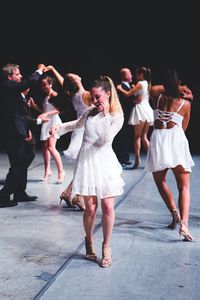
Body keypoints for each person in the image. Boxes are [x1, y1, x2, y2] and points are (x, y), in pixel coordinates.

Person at [49, 76, 125, 267]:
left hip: (105, 162)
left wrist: (106, 115)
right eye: (92, 97)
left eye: (98, 96)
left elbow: (105, 141)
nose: (94, 100)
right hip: (87, 162)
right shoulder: (90, 112)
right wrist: (59, 127)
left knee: (108, 207)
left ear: (108, 94)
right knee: (90, 207)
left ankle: (106, 246)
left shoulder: (117, 116)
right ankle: (89, 240)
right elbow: (76, 124)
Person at [145, 68, 195, 241]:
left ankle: (175, 213)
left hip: (159, 140)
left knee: (160, 182)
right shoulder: (186, 104)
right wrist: (181, 90)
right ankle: (184, 224)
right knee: (184, 187)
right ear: (179, 83)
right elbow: (184, 128)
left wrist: (174, 88)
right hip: (176, 140)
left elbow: (155, 88)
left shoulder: (156, 96)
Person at [44, 66, 92, 210]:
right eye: (74, 75)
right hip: (84, 130)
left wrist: (53, 70)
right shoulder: (87, 95)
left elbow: (64, 81)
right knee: (85, 165)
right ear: (76, 81)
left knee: (84, 165)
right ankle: (75, 195)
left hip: (78, 130)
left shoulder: (74, 95)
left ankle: (70, 192)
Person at [0, 63, 45, 207]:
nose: (20, 76)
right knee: (18, 164)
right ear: (9, 76)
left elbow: (21, 114)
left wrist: (27, 129)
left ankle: (19, 192)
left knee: (23, 160)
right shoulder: (7, 86)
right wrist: (39, 70)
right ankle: (4, 194)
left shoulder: (14, 91)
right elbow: (28, 81)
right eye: (17, 74)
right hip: (13, 133)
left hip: (19, 131)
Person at [29, 75, 65, 183]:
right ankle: (47, 170)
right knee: (45, 148)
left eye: (45, 85)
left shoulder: (55, 95)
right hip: (47, 123)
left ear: (50, 84)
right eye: (42, 85)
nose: (43, 87)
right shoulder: (46, 97)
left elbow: (59, 110)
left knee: (51, 148)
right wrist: (34, 106)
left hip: (54, 123)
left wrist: (46, 113)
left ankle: (61, 172)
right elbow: (43, 111)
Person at [117, 66, 153, 168]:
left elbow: (128, 94)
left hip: (140, 109)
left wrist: (119, 88)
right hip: (147, 109)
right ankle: (155, 158)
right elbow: (138, 94)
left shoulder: (140, 83)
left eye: (137, 74)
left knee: (137, 137)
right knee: (144, 137)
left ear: (141, 74)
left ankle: (137, 161)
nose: (135, 75)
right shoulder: (146, 83)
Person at [113, 67, 134, 166]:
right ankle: (120, 158)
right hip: (124, 113)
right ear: (123, 76)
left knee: (127, 136)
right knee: (121, 136)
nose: (131, 75)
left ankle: (125, 157)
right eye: (129, 73)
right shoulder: (120, 87)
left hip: (130, 113)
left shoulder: (131, 86)